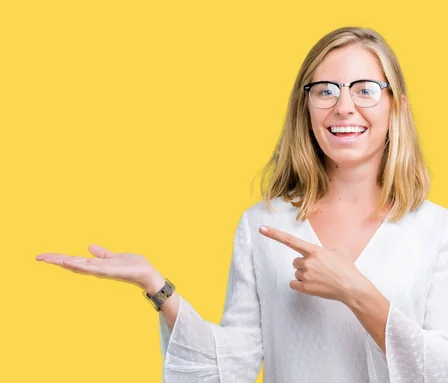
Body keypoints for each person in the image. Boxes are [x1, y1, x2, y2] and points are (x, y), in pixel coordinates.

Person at [36, 26, 448, 382]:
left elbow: (441, 368)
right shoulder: (264, 225)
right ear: (305, 108)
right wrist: (157, 288)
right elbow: (229, 367)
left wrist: (354, 290)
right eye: (325, 90)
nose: (343, 106)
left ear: (396, 104)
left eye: (365, 90)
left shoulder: (435, 230)